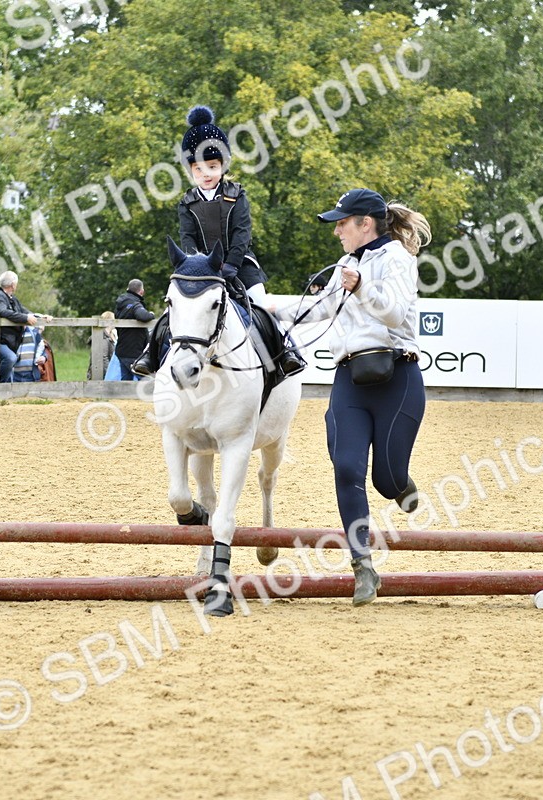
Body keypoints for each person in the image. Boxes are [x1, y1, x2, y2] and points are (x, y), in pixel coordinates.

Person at [274, 188, 431, 607]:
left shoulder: (398, 258)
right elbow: (316, 309)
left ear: (366, 223)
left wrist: (361, 287)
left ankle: (400, 485)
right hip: (350, 378)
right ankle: (362, 565)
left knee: (386, 479)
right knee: (346, 468)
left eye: (343, 222)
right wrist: (263, 306)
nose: (337, 229)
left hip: (397, 376)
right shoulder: (346, 263)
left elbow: (395, 313)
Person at [131, 105, 304, 378]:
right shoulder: (187, 202)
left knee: (262, 304)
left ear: (223, 165)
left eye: (212, 167)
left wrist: (231, 264)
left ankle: (288, 352)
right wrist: (196, 264)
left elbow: (242, 234)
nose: (206, 174)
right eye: (199, 169)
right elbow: (187, 237)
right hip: (200, 268)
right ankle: (150, 354)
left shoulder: (238, 194)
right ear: (190, 171)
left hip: (240, 264)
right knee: (175, 306)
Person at [0, 270, 37, 383]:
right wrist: (25, 318)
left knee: (11, 366)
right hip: (1, 341)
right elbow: (2, 311)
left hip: (10, 341)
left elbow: (25, 311)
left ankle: (4, 393)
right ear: (13, 285)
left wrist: (41, 317)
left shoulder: (12, 298)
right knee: (10, 358)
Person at [114, 279, 155, 380]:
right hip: (133, 350)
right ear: (141, 292)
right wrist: (151, 314)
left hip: (122, 349)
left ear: (128, 289)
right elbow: (143, 316)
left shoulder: (120, 303)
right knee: (146, 380)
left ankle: (124, 395)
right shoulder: (135, 303)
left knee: (126, 380)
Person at [88, 310, 118, 380]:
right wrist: (110, 374)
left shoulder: (112, 335)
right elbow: (103, 358)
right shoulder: (102, 337)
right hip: (104, 375)